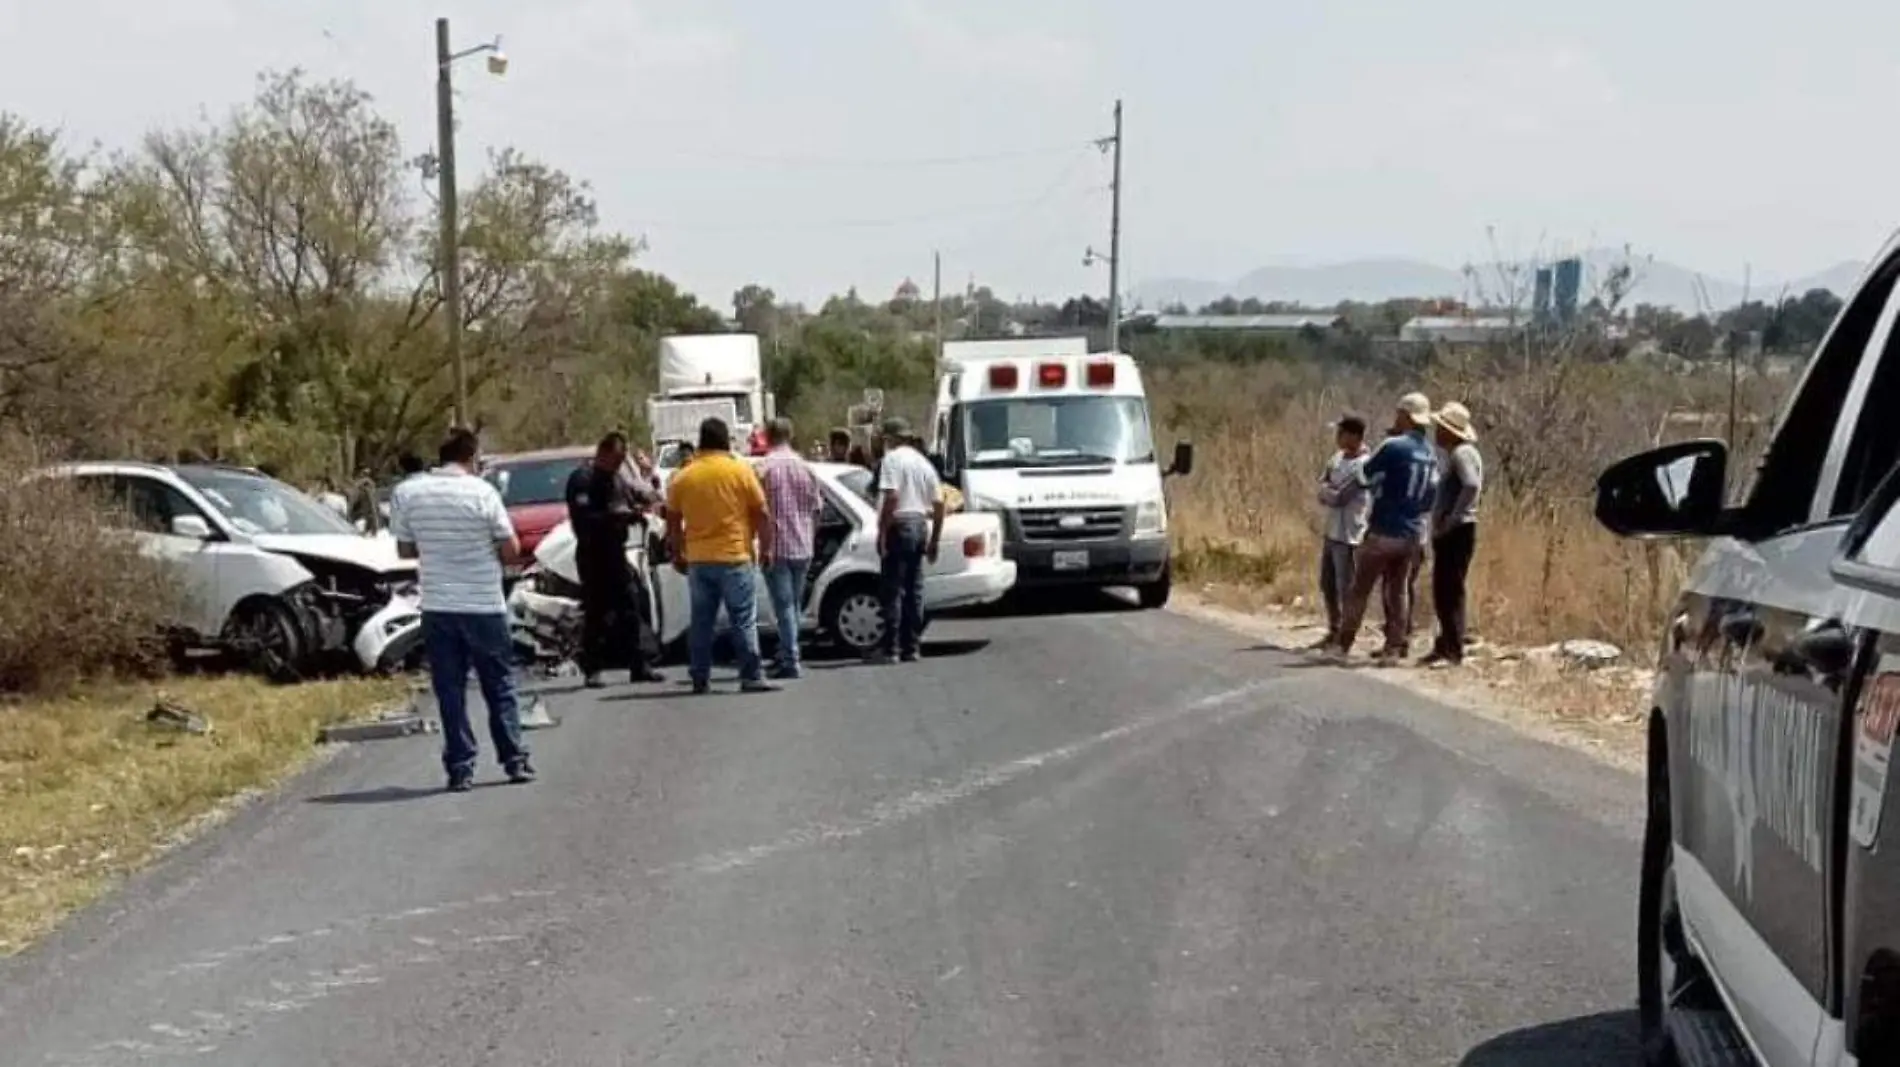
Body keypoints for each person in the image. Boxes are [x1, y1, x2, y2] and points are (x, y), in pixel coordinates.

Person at [388, 428, 532, 791]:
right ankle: (514, 760)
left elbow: (405, 551)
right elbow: (510, 549)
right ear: (472, 457)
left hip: (438, 605)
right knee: (498, 685)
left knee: (450, 690)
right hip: (484, 603)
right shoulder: (482, 492)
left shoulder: (409, 493)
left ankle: (461, 768)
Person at [664, 417, 776, 695]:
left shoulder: (684, 476)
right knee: (742, 619)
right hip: (735, 555)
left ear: (701, 441)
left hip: (699, 559)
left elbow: (673, 520)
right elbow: (762, 512)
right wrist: (768, 546)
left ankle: (700, 676)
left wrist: (677, 552)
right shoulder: (739, 471)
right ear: (726, 440)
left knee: (702, 621)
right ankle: (750, 675)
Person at [1329, 393, 1439, 665]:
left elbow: (1364, 474)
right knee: (1398, 590)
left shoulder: (1393, 446)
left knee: (1360, 589)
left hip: (1385, 528)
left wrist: (1379, 484)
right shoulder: (1430, 453)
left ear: (1406, 416)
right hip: (1412, 531)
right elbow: (1430, 496)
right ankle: (1394, 647)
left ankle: (1343, 644)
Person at [565, 431, 665, 689]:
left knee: (630, 606)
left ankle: (638, 664)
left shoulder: (616, 479)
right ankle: (593, 669)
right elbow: (584, 519)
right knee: (596, 610)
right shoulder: (583, 479)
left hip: (616, 553)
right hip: (592, 553)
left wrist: (641, 506)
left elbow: (632, 499)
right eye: (617, 458)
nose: (619, 464)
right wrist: (617, 516)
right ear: (603, 453)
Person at [868, 417, 944, 665]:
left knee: (893, 590)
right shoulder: (923, 463)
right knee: (914, 590)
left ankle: (892, 649)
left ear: (889, 438)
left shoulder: (891, 461)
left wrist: (882, 531)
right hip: (920, 524)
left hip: (899, 525)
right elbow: (940, 503)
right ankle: (912, 646)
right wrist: (935, 540)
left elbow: (891, 497)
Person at [756, 417, 823, 679]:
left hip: (776, 545)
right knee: (793, 603)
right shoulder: (805, 468)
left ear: (769, 436)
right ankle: (788, 652)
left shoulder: (764, 468)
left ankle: (790, 658)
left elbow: (757, 510)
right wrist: (810, 533)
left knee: (782, 604)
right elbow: (817, 508)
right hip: (802, 544)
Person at [1423, 402, 1484, 668]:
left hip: (1457, 531)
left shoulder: (1461, 454)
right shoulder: (1459, 453)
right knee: (1443, 588)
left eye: (1441, 427)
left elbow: (1471, 485)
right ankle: (1445, 643)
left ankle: (1453, 650)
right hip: (1453, 530)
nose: (1436, 431)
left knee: (1450, 589)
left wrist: (1452, 518)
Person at [1314, 414, 1371, 651]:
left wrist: (1330, 493)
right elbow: (1323, 486)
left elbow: (1340, 497)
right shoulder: (1336, 459)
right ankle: (1333, 628)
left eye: (1343, 433)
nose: (1338, 438)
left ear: (1355, 436)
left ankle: (1346, 636)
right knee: (1327, 583)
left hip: (1350, 533)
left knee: (1345, 586)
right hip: (1332, 530)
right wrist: (1328, 492)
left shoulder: (1366, 463)